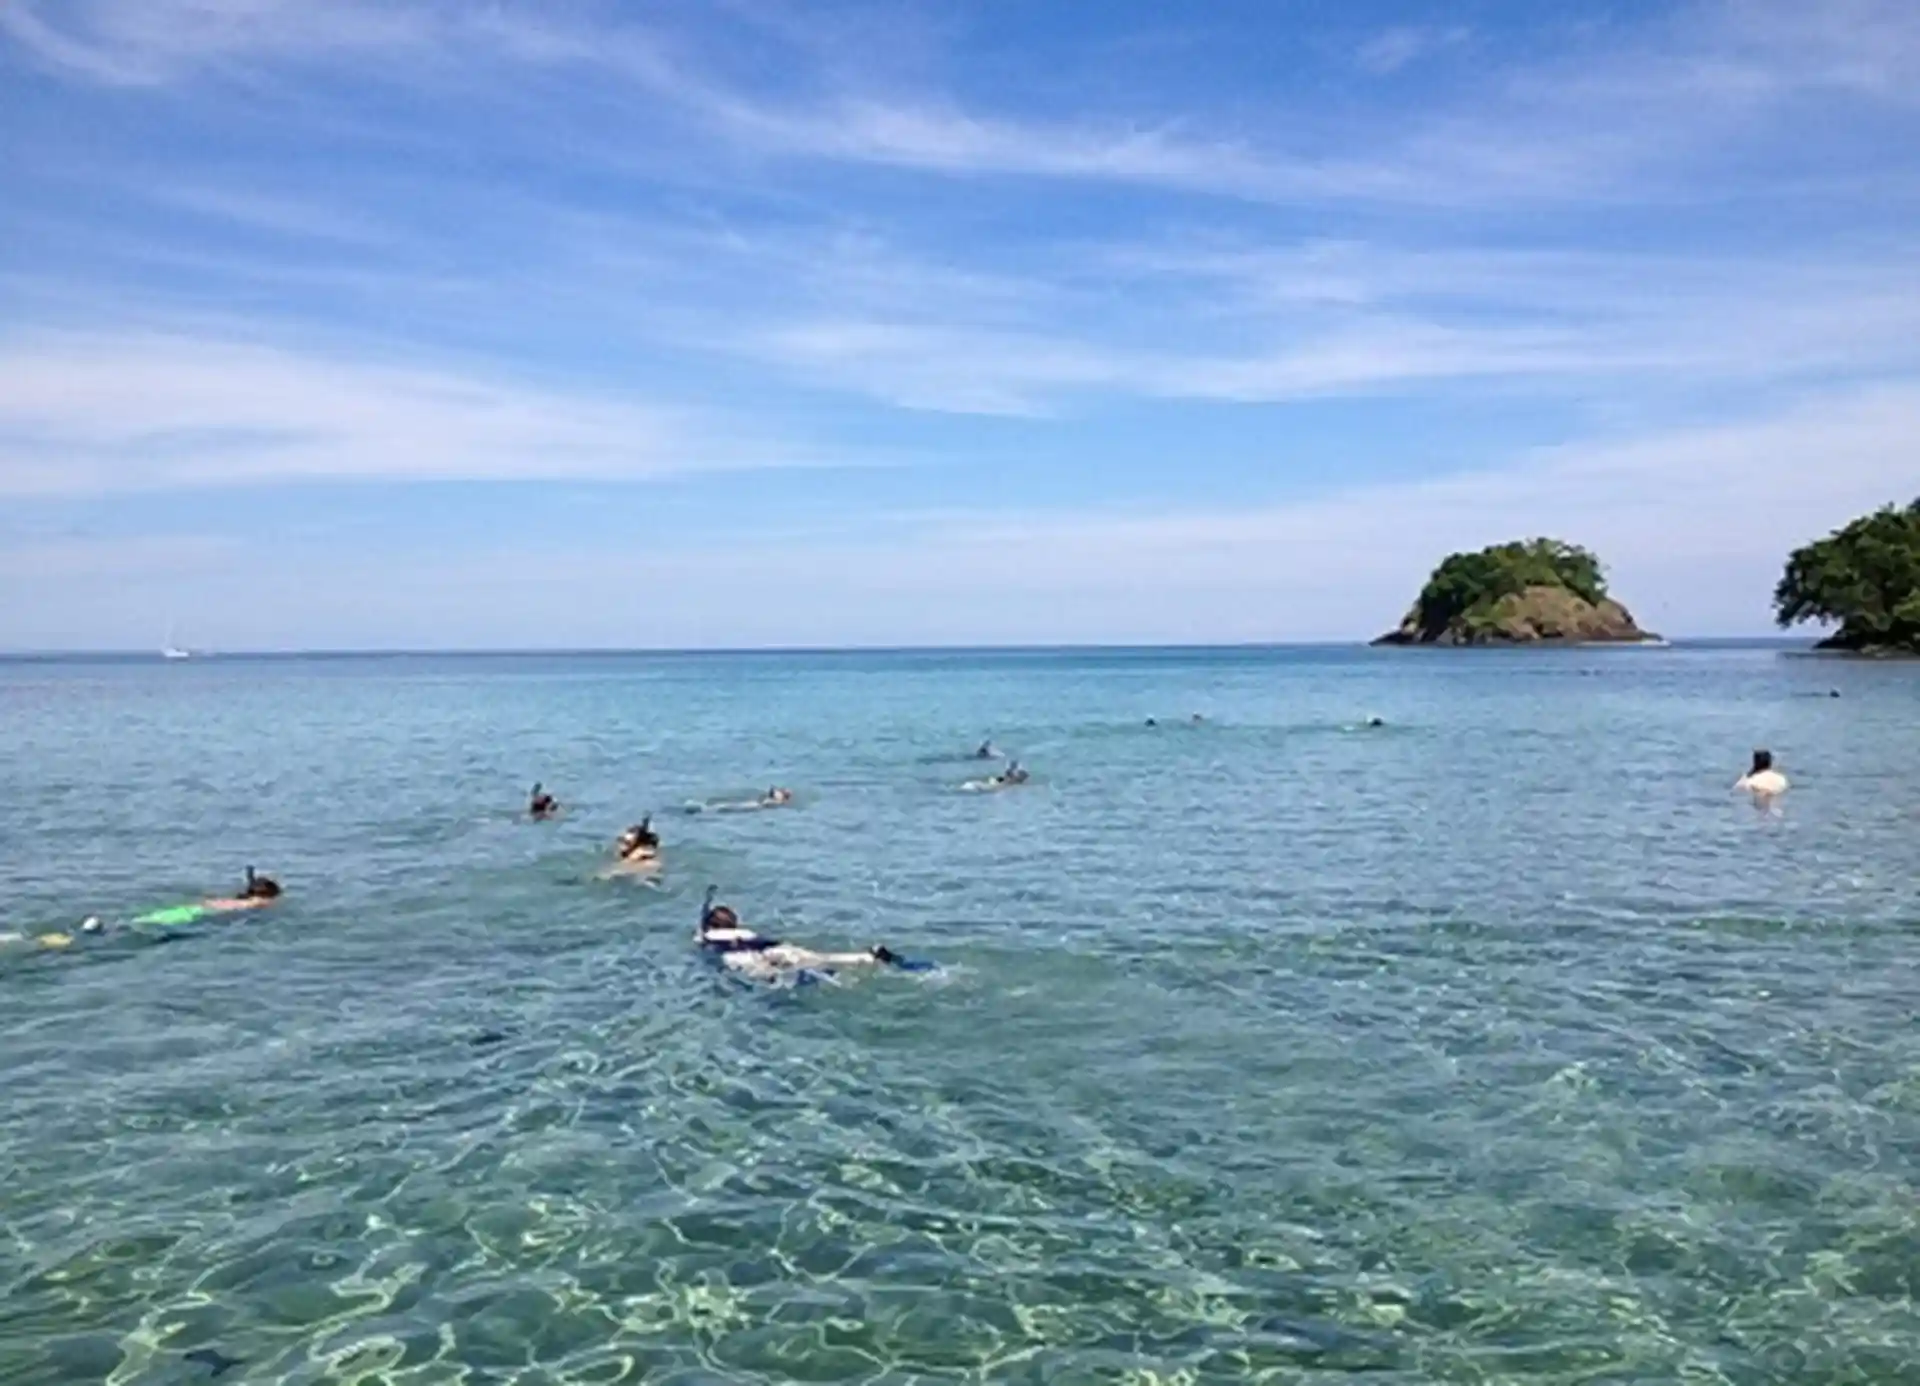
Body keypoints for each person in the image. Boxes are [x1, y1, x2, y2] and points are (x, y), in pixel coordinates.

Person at [697, 886, 904, 980]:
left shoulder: (709, 936)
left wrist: (706, 903)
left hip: (745, 958)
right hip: (777, 947)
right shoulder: (745, 932)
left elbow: (702, 929)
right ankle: (868, 956)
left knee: (775, 976)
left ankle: (817, 977)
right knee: (822, 958)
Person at [202, 867, 283, 912]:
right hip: (240, 903)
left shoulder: (258, 898)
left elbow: (251, 880)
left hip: (235, 903)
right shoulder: (261, 900)